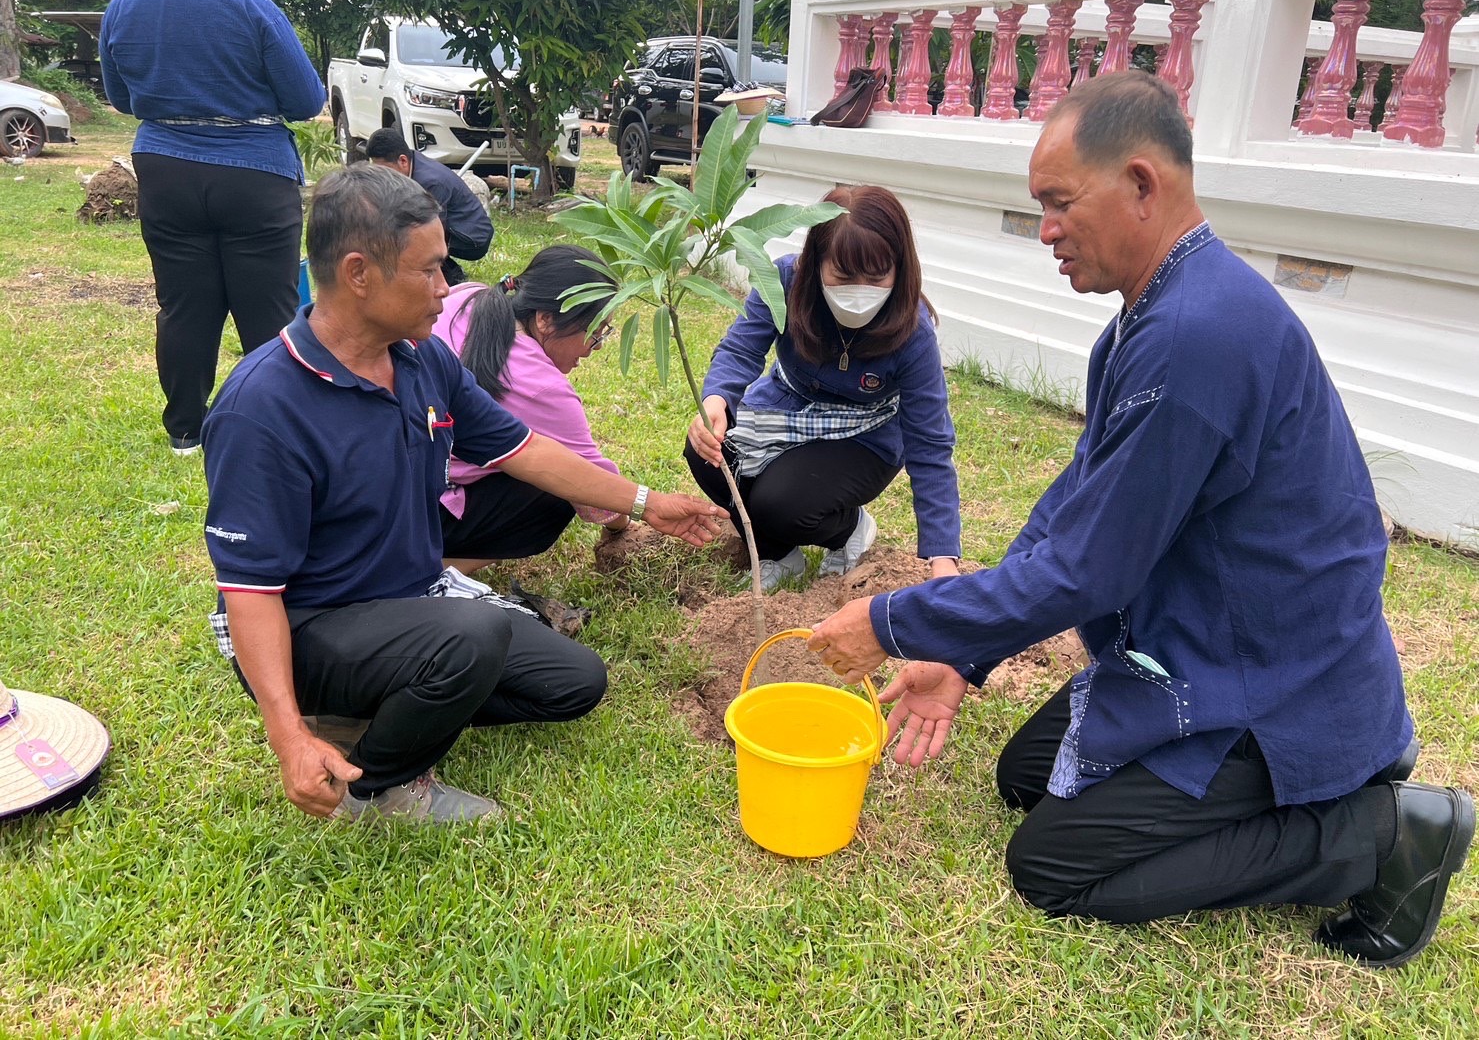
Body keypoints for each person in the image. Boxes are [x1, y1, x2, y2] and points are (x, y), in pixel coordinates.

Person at [809, 72, 1472, 968]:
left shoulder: (1198, 334)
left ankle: (1380, 829)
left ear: (1140, 184)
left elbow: (1088, 571)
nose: (1044, 229)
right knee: (1022, 778)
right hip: (1200, 635)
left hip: (1265, 678)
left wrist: (892, 622)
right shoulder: (1141, 322)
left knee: (1053, 866)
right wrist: (960, 655)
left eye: (1057, 202)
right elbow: (1077, 499)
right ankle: (1301, 795)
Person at [201, 164, 721, 825]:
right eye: (428, 271)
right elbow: (251, 591)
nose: (446, 291)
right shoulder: (262, 406)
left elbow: (523, 449)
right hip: (314, 624)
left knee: (574, 682)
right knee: (473, 632)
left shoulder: (420, 361)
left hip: (413, 598)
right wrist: (285, 734)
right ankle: (378, 789)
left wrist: (647, 503)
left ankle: (382, 706)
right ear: (358, 273)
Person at [100, 0, 326, 455]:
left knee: (182, 304)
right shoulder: (253, 9)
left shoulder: (123, 6)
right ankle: (277, 426)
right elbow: (305, 99)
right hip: (255, 173)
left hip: (165, 167)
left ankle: (185, 430)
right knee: (269, 306)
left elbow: (120, 96)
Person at [685, 185, 963, 591]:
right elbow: (742, 347)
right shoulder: (783, 283)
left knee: (779, 503)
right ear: (815, 262)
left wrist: (943, 559)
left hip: (866, 438)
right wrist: (716, 400)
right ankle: (778, 554)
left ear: (900, 268)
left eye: (876, 276)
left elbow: (930, 443)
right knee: (707, 453)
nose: (859, 291)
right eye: (844, 275)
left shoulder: (912, 332)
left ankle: (848, 529)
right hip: (787, 406)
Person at [430, 245, 629, 573]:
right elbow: (593, 482)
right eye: (594, 333)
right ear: (545, 319)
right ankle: (436, 573)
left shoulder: (467, 295)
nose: (595, 348)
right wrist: (621, 526)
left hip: (390, 487)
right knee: (558, 488)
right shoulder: (543, 384)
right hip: (426, 508)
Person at [365, 127, 493, 287]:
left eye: (385, 172)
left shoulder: (429, 182)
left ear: (403, 161)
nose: (382, 179)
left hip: (473, 239)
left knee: (416, 235)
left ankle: (450, 275)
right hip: (454, 224)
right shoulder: (411, 164)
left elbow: (433, 231)